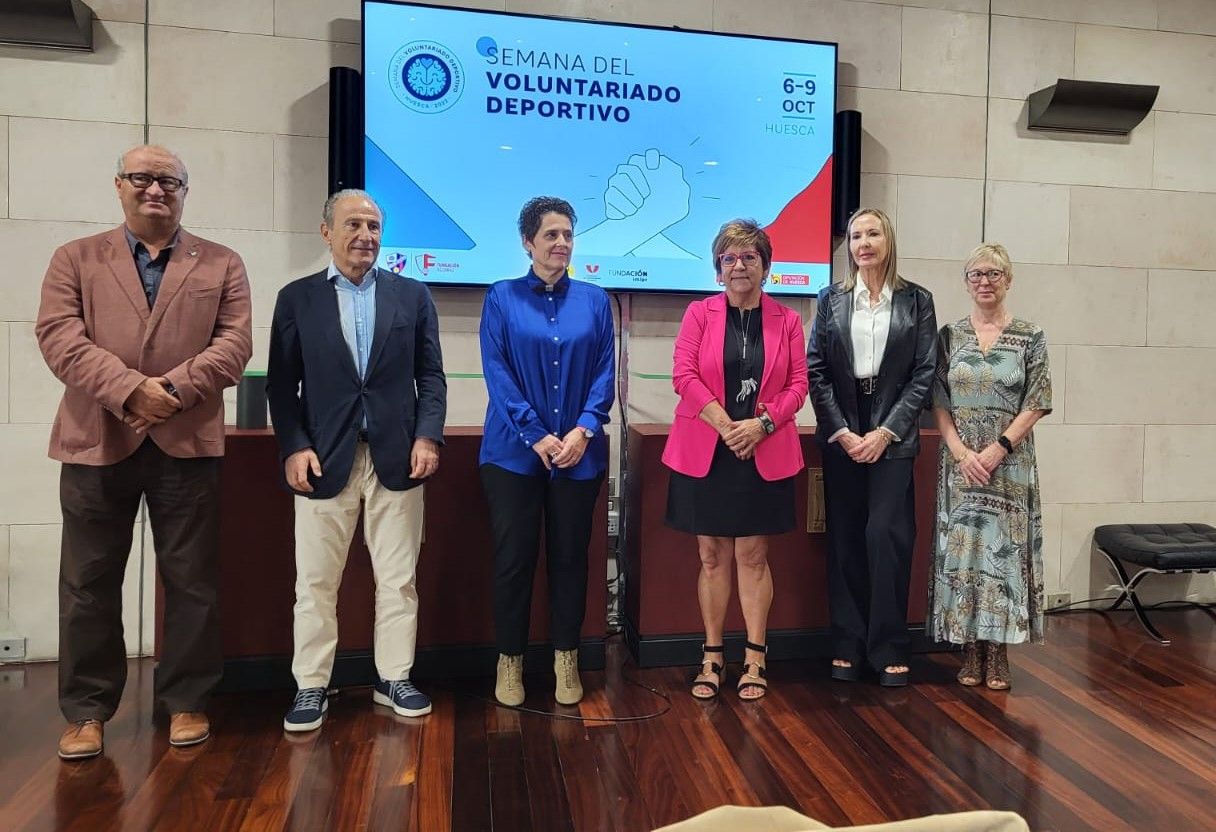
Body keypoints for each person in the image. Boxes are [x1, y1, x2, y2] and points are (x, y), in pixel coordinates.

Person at [36, 145, 253, 759]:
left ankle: (186, 700)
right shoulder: (74, 258)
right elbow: (59, 338)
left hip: (187, 441)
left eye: (168, 181)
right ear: (119, 186)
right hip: (96, 439)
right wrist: (131, 390)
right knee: (87, 582)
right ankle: (86, 711)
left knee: (191, 580)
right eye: (142, 178)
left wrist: (174, 391)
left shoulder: (222, 262)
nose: (155, 189)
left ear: (185, 190)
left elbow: (234, 343)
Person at [267, 189, 447, 731]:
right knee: (316, 582)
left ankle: (394, 676)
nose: (364, 236)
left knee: (398, 579)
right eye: (353, 225)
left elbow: (431, 377)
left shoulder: (412, 296)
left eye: (373, 225)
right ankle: (312, 686)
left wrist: (428, 436)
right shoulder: (297, 298)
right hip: (324, 460)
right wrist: (294, 446)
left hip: (398, 459)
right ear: (327, 232)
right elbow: (281, 384)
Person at [662, 219, 808, 701]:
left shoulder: (786, 320)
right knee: (710, 556)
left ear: (766, 266)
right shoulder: (698, 314)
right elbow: (684, 375)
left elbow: (798, 387)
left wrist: (761, 426)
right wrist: (728, 426)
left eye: (749, 257)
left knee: (753, 555)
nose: (739, 265)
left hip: (762, 448)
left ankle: (755, 657)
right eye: (729, 257)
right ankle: (711, 654)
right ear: (717, 269)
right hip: (709, 447)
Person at [479, 196, 615, 708]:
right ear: (527, 242)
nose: (561, 243)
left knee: (569, 561)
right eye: (551, 234)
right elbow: (498, 371)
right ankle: (509, 662)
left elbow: (605, 372)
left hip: (579, 455)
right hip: (514, 455)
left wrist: (582, 431)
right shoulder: (501, 297)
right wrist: (537, 434)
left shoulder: (595, 301)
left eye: (568, 234)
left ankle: (566, 658)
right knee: (514, 560)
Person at [806, 207, 936, 687]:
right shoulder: (831, 299)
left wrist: (886, 432)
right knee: (845, 540)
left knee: (886, 537)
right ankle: (847, 642)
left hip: (893, 434)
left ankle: (887, 645)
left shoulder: (917, 300)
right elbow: (816, 371)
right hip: (843, 431)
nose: (864, 242)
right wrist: (841, 431)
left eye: (873, 233)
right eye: (856, 235)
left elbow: (924, 374)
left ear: (888, 240)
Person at [929, 244, 1051, 691]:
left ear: (1008, 280)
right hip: (960, 464)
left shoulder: (1030, 335)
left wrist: (999, 448)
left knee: (1003, 556)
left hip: (1009, 464)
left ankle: (998, 651)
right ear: (966, 282)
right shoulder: (949, 336)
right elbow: (938, 400)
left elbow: (1037, 400)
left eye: (994, 273)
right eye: (976, 274)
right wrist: (962, 452)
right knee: (965, 553)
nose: (985, 281)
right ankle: (970, 648)